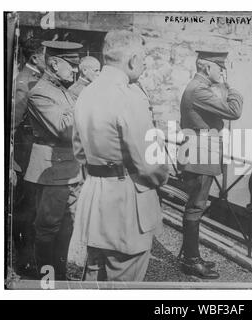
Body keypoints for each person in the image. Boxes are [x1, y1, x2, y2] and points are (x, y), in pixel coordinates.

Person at [70, 30, 168, 282]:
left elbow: (79, 152)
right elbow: (151, 165)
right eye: (143, 58)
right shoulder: (130, 97)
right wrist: (160, 179)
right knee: (124, 281)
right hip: (126, 204)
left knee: (94, 278)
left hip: (94, 197)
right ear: (133, 59)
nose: (145, 64)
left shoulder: (86, 94)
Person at [178, 50, 243, 279]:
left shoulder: (197, 88)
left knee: (196, 206)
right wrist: (231, 88)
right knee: (196, 207)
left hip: (199, 154)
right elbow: (234, 112)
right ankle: (191, 261)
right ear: (207, 68)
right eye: (219, 68)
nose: (222, 72)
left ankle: (191, 255)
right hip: (199, 156)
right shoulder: (199, 91)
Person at [24, 40, 83, 280]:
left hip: (69, 167)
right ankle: (46, 279)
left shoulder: (62, 89)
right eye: (71, 65)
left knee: (67, 226)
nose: (76, 71)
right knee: (47, 228)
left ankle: (59, 274)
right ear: (55, 63)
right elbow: (65, 131)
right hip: (52, 169)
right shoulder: (40, 92)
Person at [12, 38, 46, 277]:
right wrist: (11, 164)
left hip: (34, 157)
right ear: (35, 58)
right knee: (25, 211)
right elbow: (11, 126)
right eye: (48, 56)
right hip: (24, 159)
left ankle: (33, 258)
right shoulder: (24, 83)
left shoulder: (37, 81)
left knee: (35, 210)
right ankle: (24, 261)